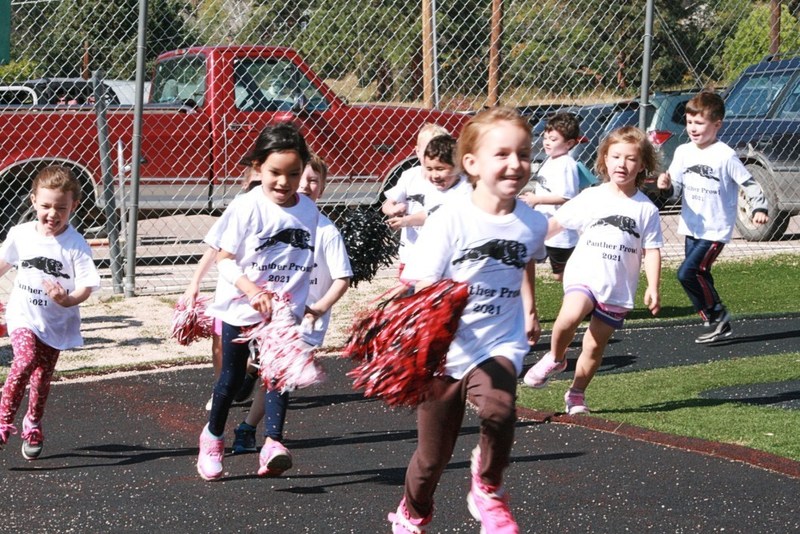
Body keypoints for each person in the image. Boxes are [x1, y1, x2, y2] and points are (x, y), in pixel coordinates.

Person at [387, 107, 548, 534]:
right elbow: (421, 281)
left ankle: (488, 488)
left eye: (524, 153)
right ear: (472, 163)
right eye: (502, 154)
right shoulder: (451, 219)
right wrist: (440, 302)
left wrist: (530, 309)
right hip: (445, 349)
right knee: (431, 459)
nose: (515, 164)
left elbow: (524, 264)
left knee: (500, 408)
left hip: (498, 343)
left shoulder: (532, 222)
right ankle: (413, 510)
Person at [196, 122, 319, 481]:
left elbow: (305, 258)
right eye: (275, 173)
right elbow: (224, 258)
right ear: (257, 169)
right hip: (242, 304)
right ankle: (213, 437)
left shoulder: (309, 211)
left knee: (279, 375)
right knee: (232, 380)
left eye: (293, 174)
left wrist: (307, 302)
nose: (284, 182)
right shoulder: (246, 206)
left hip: (282, 313)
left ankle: (273, 446)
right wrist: (252, 290)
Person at [523, 126, 663, 415]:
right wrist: (526, 242)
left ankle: (576, 394)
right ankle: (556, 357)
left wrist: (653, 286)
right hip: (584, 276)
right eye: (615, 157)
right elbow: (556, 224)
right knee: (568, 318)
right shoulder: (590, 197)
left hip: (617, 288)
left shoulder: (646, 210)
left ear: (642, 165)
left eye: (630, 159)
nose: (622, 164)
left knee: (594, 346)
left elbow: (651, 249)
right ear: (604, 160)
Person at [231, 152, 353, 462]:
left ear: (323, 189)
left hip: (306, 320)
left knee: (279, 376)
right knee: (271, 371)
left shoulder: (325, 230)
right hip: (270, 315)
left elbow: (342, 278)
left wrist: (319, 309)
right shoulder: (272, 220)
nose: (308, 186)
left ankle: (253, 429)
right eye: (304, 179)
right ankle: (248, 388)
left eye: (316, 181)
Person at [0, 166, 101, 460]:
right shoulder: (20, 234)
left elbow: (86, 286)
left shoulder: (75, 244)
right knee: (25, 359)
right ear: (33, 201)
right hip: (23, 314)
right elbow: (3, 263)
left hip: (56, 322)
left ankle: (33, 422)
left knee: (42, 378)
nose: (52, 214)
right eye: (45, 206)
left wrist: (67, 300)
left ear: (74, 206)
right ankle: (4, 419)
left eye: (61, 207)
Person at [656, 91, 769, 344]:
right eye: (689, 122)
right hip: (691, 226)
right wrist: (665, 185)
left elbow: (749, 183)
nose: (693, 128)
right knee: (700, 275)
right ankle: (717, 321)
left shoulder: (724, 155)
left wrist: (759, 208)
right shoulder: (684, 152)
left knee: (687, 273)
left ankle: (717, 314)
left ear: (717, 124)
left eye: (700, 123)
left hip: (715, 230)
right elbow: (675, 189)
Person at [182, 168, 261, 411]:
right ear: (245, 183)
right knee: (220, 342)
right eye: (254, 182)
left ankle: (250, 369)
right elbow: (214, 249)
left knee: (258, 345)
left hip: (261, 292)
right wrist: (194, 282)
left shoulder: (280, 210)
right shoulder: (239, 207)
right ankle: (221, 389)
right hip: (230, 291)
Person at [519, 112, 581, 281]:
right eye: (545, 137)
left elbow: (566, 197)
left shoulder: (566, 164)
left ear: (569, 143)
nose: (547, 142)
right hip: (546, 227)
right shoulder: (551, 159)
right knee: (527, 259)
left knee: (561, 275)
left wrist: (537, 200)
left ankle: (584, 294)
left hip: (561, 235)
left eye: (553, 139)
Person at [382, 123, 450, 277]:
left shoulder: (446, 181)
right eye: (427, 150)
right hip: (410, 254)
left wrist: (406, 221)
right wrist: (391, 209)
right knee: (408, 297)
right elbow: (388, 203)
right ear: (417, 151)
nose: (432, 155)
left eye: (438, 150)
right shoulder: (410, 176)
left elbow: (434, 216)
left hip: (439, 255)